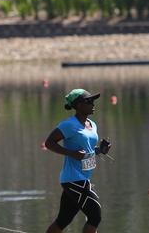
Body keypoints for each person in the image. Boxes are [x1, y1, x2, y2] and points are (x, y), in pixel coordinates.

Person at [44, 89, 112, 233]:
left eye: (93, 101)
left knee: (63, 220)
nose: (93, 104)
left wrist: (101, 150)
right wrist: (71, 153)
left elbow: (87, 151)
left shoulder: (92, 125)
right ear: (79, 105)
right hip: (73, 179)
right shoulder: (69, 125)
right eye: (89, 101)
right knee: (95, 215)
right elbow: (49, 143)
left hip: (83, 179)